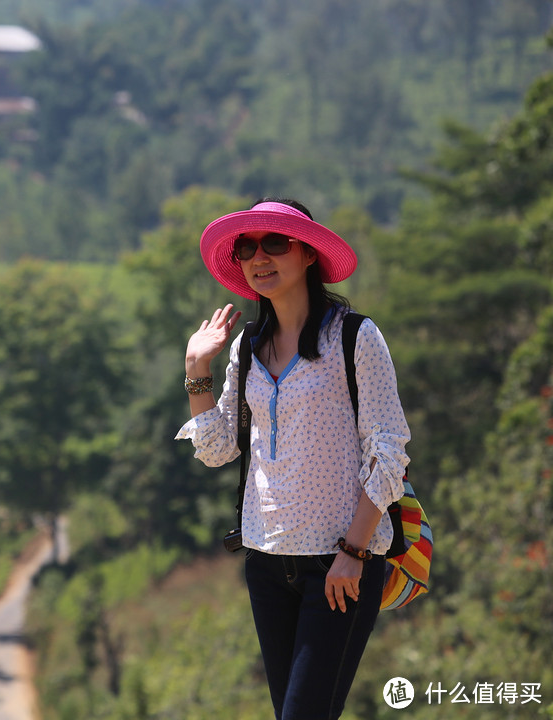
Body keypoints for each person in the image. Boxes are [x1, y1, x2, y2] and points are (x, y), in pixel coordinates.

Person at [175, 198, 410, 720]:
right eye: (247, 247)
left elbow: (389, 452)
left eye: (276, 243)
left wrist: (352, 550)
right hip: (266, 561)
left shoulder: (353, 338)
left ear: (307, 255)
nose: (260, 257)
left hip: (340, 563)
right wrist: (197, 368)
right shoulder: (247, 347)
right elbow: (217, 451)